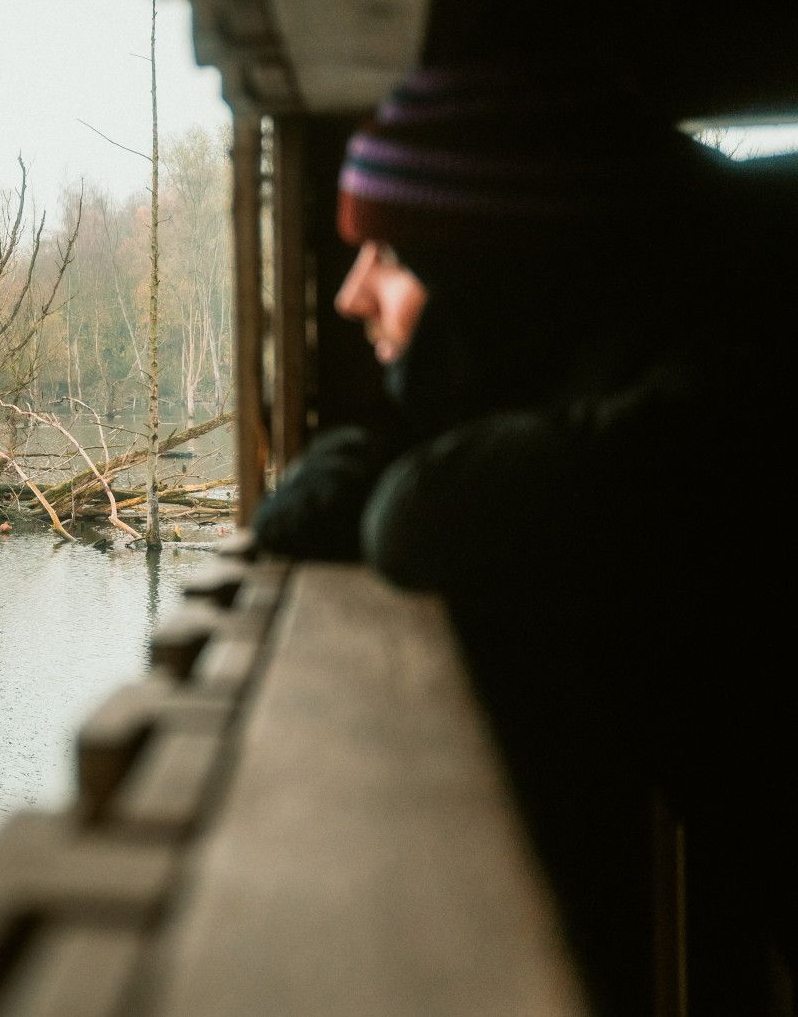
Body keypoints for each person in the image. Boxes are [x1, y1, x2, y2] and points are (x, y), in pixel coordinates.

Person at [253, 68, 798, 1013]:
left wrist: (390, 477)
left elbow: (424, 513)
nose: (351, 297)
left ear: (497, 282)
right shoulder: (670, 348)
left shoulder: (728, 400)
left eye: (388, 253)